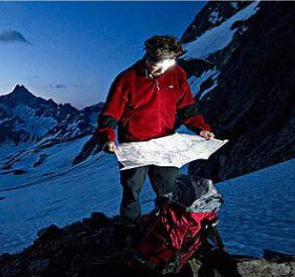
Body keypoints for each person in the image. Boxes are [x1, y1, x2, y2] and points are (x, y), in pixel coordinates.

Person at [96, 35, 215, 226]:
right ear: (147, 56)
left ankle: (167, 228)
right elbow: (110, 114)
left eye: (164, 64)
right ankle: (130, 226)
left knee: (169, 188)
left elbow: (187, 108)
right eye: (153, 62)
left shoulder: (177, 75)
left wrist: (201, 128)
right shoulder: (127, 79)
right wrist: (106, 137)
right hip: (134, 145)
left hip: (164, 143)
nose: (157, 68)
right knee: (131, 189)